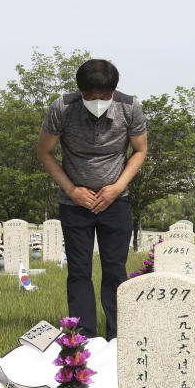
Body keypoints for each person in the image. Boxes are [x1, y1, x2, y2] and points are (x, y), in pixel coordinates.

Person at [37, 59, 147, 340]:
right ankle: (82, 336)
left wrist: (117, 187)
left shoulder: (130, 106)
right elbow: (45, 152)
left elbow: (139, 150)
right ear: (80, 91)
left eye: (104, 96)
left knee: (114, 269)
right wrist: (72, 190)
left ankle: (118, 336)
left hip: (116, 200)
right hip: (75, 203)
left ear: (113, 90)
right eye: (90, 96)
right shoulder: (62, 108)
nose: (97, 101)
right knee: (78, 271)